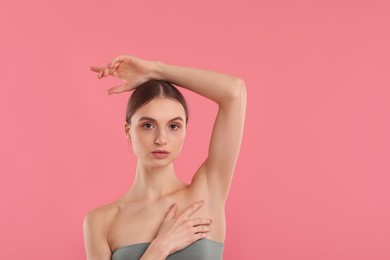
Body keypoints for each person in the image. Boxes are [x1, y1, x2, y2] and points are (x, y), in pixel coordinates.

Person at [83, 54, 247, 260]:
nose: (161, 139)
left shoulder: (207, 192)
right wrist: (159, 248)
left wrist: (155, 70)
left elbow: (234, 91)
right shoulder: (100, 222)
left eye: (173, 126)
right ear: (128, 130)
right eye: (148, 125)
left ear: (185, 130)